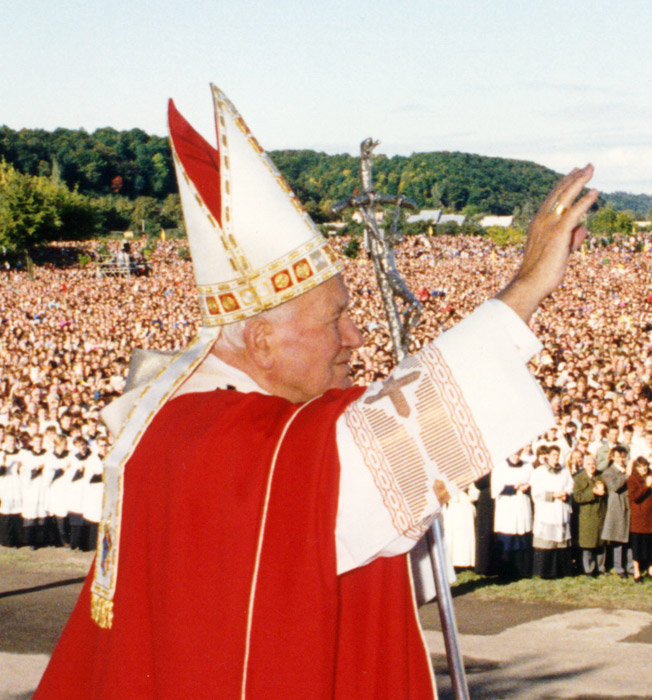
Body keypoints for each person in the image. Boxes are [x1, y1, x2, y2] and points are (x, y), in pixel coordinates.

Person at [35, 87, 593, 700]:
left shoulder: (182, 413)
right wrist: (525, 288)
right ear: (263, 343)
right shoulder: (213, 433)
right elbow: (374, 455)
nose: (355, 337)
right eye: (335, 318)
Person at [530, 451, 573, 579]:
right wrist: (553, 495)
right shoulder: (539, 471)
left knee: (560, 541)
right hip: (547, 510)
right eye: (553, 455)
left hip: (561, 508)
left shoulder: (564, 470)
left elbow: (571, 485)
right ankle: (545, 572)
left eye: (558, 455)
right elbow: (536, 492)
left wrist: (565, 493)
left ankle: (561, 571)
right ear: (547, 456)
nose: (556, 457)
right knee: (546, 540)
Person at [600, 446, 632, 578]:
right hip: (617, 507)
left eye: (623, 457)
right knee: (618, 539)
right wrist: (626, 475)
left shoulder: (627, 471)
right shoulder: (608, 472)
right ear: (612, 457)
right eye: (618, 457)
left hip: (629, 506)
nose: (621, 459)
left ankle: (630, 567)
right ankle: (618, 568)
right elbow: (615, 486)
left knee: (629, 539)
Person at [571, 456, 607, 576]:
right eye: (589, 464)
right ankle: (589, 569)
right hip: (586, 515)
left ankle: (601, 567)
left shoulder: (600, 476)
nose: (592, 466)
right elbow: (577, 497)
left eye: (593, 464)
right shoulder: (578, 478)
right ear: (584, 465)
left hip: (600, 513)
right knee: (588, 544)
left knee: (601, 543)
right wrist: (592, 492)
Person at [627, 457, 652, 581]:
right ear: (636, 468)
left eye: (645, 465)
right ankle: (637, 571)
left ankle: (651, 569)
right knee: (637, 544)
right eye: (640, 466)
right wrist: (646, 486)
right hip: (638, 517)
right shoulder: (632, 479)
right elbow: (635, 497)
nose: (643, 468)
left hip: (651, 515)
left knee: (651, 544)